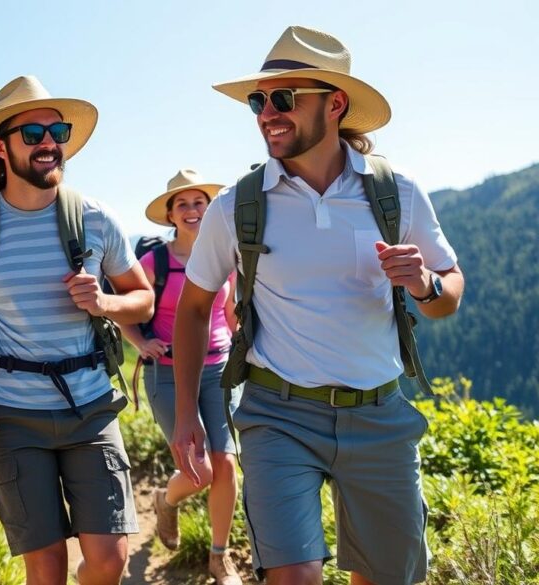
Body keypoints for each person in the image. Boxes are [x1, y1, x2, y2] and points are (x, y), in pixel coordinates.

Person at [171, 26, 464, 585]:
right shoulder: (236, 206)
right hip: (277, 414)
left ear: (335, 104)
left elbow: (447, 294)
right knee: (293, 577)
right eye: (258, 101)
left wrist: (425, 284)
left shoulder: (397, 193)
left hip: (379, 415)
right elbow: (193, 308)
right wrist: (187, 413)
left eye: (283, 98)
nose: (266, 114)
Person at [0, 75, 154, 585]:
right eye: (33, 133)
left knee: (109, 561)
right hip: (10, 418)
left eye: (57, 131)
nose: (49, 142)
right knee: (45, 571)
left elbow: (143, 300)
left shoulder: (96, 218)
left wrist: (106, 302)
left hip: (91, 408)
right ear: (1, 147)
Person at [118, 169, 242, 584]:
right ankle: (165, 500)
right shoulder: (154, 262)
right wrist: (141, 342)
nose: (192, 210)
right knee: (199, 471)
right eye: (182, 204)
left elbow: (230, 314)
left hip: (219, 369)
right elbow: (125, 309)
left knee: (225, 465)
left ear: (210, 209)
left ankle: (219, 558)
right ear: (170, 215)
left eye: (199, 203)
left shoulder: (225, 256)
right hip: (168, 374)